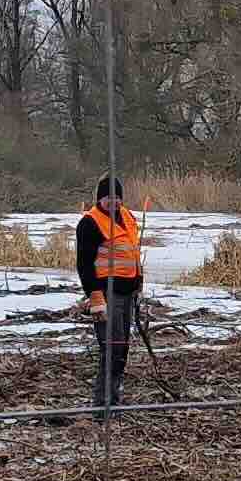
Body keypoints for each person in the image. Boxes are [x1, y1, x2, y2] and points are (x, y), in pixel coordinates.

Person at [75, 174, 143, 412]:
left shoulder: (128, 217)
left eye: (117, 198)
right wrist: (95, 297)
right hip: (106, 294)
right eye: (108, 198)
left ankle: (114, 398)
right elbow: (84, 264)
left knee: (122, 348)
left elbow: (132, 252)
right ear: (99, 198)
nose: (113, 202)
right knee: (111, 348)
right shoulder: (90, 223)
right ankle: (102, 404)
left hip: (128, 293)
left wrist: (138, 284)